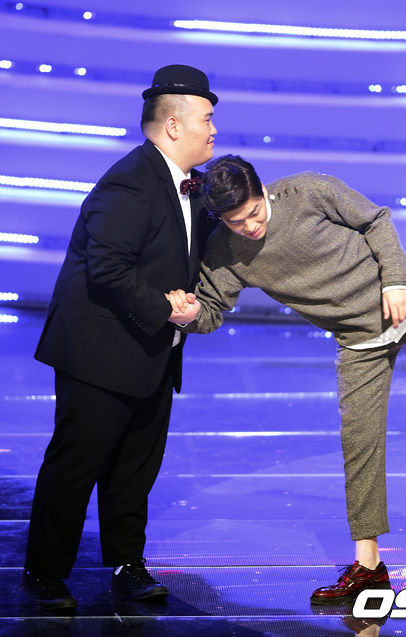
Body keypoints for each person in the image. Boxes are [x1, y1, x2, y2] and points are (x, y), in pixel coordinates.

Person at [167, 154, 406, 604]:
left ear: (263, 191)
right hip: (359, 341)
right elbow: (211, 311)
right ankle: (369, 568)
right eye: (236, 222)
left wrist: (394, 281)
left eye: (254, 213)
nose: (250, 227)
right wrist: (187, 315)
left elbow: (376, 220)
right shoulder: (223, 250)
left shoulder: (307, 191)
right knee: (360, 444)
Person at [23, 65, 218, 609]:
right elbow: (107, 268)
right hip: (100, 351)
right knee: (77, 464)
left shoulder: (192, 185)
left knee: (135, 466)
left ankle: (128, 563)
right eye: (206, 119)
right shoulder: (130, 180)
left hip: (152, 350)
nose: (213, 130)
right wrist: (166, 308)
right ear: (173, 125)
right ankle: (44, 572)